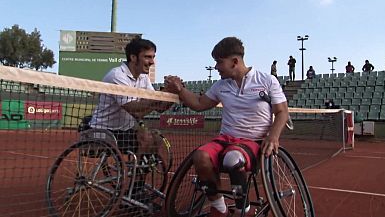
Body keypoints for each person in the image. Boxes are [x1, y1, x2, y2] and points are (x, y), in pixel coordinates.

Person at [165, 37, 289, 217]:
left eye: (219, 62)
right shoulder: (221, 86)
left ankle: (242, 209)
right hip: (225, 139)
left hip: (253, 142)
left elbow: (282, 112)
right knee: (200, 156)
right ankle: (219, 207)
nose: (216, 67)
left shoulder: (267, 80)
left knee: (232, 158)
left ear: (235, 62)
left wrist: (273, 136)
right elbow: (199, 104)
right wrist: (180, 90)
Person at [89, 38, 174, 154]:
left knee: (156, 138)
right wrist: (161, 94)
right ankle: (134, 171)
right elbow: (132, 107)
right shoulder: (117, 75)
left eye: (153, 57)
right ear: (133, 57)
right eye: (147, 57)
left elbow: (159, 108)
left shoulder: (143, 77)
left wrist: (172, 94)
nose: (152, 62)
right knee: (146, 139)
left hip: (124, 131)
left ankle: (137, 170)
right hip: (102, 131)